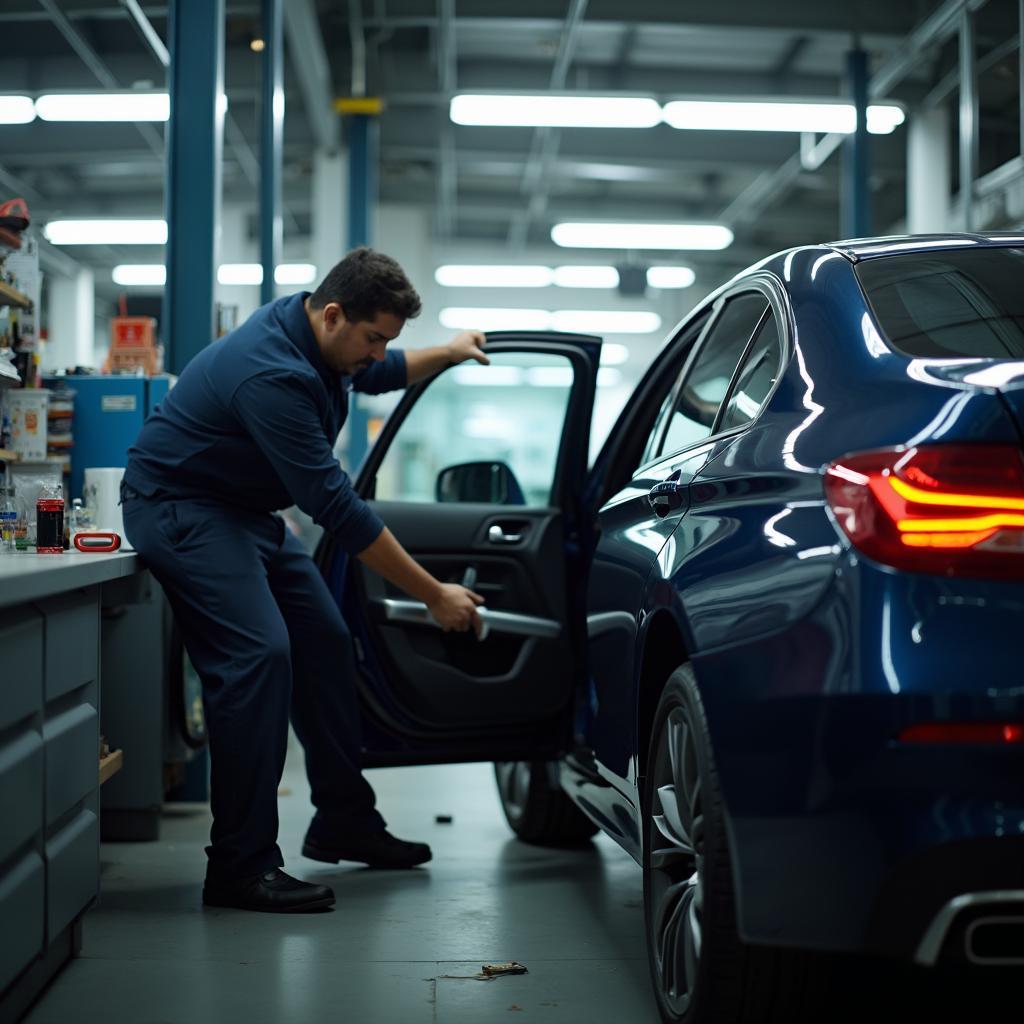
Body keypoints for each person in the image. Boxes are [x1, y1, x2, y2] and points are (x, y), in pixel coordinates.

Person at [121, 248, 488, 913]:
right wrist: (433, 594)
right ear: (334, 314)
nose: (377, 352)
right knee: (258, 657)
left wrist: (452, 351)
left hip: (244, 513)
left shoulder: (324, 340)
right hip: (181, 508)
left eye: (386, 339)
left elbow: (383, 373)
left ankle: (345, 819)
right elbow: (335, 507)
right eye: (373, 337)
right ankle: (239, 866)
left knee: (325, 637)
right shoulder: (272, 372)